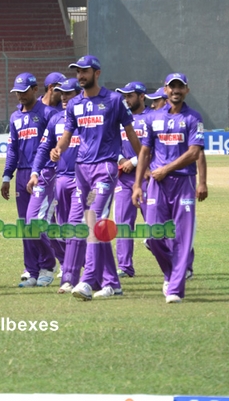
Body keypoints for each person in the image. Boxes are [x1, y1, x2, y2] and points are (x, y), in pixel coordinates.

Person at [51, 55, 141, 300]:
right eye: (78, 72)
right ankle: (112, 282)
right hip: (82, 172)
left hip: (105, 169)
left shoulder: (113, 101)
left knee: (94, 220)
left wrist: (144, 158)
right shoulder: (75, 104)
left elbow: (130, 133)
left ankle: (88, 279)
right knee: (92, 224)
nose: (80, 75)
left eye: (85, 71)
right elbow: (67, 135)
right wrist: (59, 148)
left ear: (97, 73)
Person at [132, 73, 204, 304]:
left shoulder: (193, 118)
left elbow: (194, 152)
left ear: (186, 90)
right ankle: (172, 272)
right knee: (153, 236)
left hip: (183, 182)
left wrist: (168, 169)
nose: (176, 91)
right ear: (165, 90)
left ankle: (175, 289)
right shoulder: (153, 117)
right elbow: (144, 152)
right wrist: (136, 185)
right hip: (156, 184)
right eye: (172, 87)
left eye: (180, 87)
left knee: (182, 239)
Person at [2, 73, 56, 287]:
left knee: (39, 222)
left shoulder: (48, 113)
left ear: (35, 90)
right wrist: (7, 175)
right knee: (25, 225)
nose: (21, 96)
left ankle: (47, 266)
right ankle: (31, 269)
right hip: (22, 175)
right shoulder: (15, 117)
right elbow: (12, 150)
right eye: (17, 92)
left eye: (24, 91)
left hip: (42, 173)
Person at [28, 77, 83, 292]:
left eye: (69, 93)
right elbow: (44, 148)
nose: (64, 97)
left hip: (85, 181)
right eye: (62, 93)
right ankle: (73, 268)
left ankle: (79, 275)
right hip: (60, 180)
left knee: (79, 227)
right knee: (61, 229)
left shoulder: (89, 119)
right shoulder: (56, 120)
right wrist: (35, 172)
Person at [114, 81, 150, 278]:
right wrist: (121, 160)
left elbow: (153, 147)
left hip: (145, 177)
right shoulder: (119, 119)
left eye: (130, 96)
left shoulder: (151, 118)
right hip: (123, 178)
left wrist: (134, 162)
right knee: (122, 223)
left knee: (154, 223)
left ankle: (175, 261)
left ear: (141, 97)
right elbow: (113, 144)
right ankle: (125, 267)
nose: (126, 100)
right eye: (124, 96)